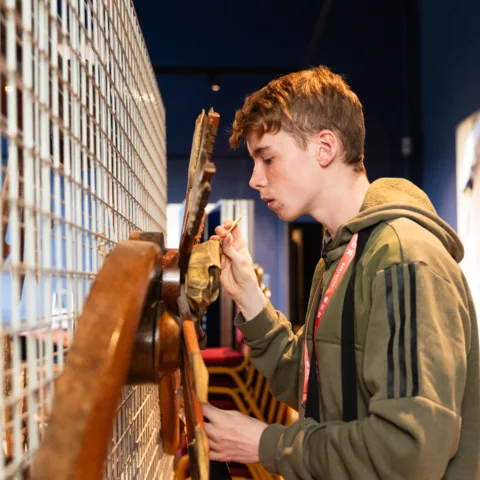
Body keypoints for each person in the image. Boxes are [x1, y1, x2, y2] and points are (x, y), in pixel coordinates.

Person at [202, 66, 480, 479]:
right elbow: (317, 383)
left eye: (268, 158)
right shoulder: (340, 252)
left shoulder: (403, 258)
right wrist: (248, 295)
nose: (255, 179)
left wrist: (265, 443)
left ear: (325, 147)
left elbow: (407, 452)